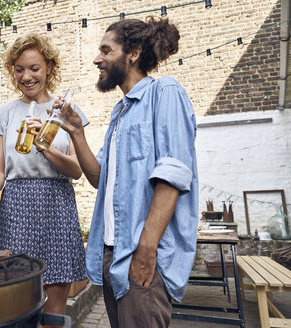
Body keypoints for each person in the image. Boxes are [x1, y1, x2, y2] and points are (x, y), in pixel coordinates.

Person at [56, 17, 199, 327]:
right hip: (113, 254)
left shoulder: (165, 92)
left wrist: (146, 252)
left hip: (142, 256)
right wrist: (77, 133)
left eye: (106, 50)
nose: (97, 59)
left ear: (132, 53)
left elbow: (173, 176)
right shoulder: (121, 112)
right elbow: (98, 179)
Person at [0, 33, 87, 319]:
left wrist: (43, 146)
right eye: (19, 69)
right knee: (16, 301)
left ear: (48, 67)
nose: (27, 76)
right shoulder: (5, 114)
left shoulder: (66, 112)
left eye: (34, 68)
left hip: (56, 205)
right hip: (17, 206)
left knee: (54, 308)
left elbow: (76, 170)